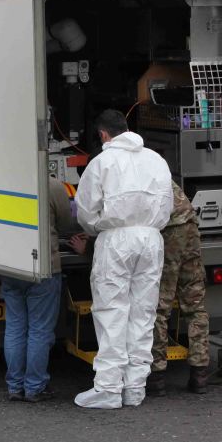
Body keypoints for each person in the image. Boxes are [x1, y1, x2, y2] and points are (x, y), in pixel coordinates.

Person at [72, 109, 173, 409]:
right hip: (152, 238)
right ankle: (135, 388)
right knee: (143, 313)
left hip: (116, 240)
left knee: (112, 311)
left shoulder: (101, 162)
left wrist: (94, 230)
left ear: (103, 134)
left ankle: (108, 388)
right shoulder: (156, 160)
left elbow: (87, 213)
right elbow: (167, 205)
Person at [1, 176, 74, 403]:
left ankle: (14, 386)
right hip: (43, 266)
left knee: (14, 327)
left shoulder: (1, 179)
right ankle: (34, 387)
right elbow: (66, 224)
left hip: (8, 264)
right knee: (39, 330)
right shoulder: (51, 185)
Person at [149, 181, 209, 395]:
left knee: (160, 307)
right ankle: (199, 374)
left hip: (169, 231)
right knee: (195, 305)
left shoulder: (124, 168)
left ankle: (156, 377)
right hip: (190, 224)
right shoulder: (153, 163)